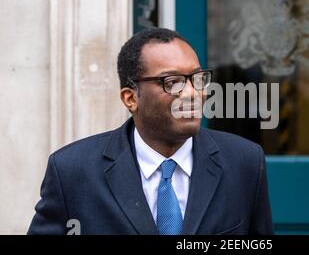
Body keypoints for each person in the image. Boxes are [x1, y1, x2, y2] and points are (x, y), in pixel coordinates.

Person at [28, 28, 273, 235]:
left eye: (197, 79)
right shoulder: (72, 171)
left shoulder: (244, 162)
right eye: (172, 82)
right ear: (131, 98)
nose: (191, 93)